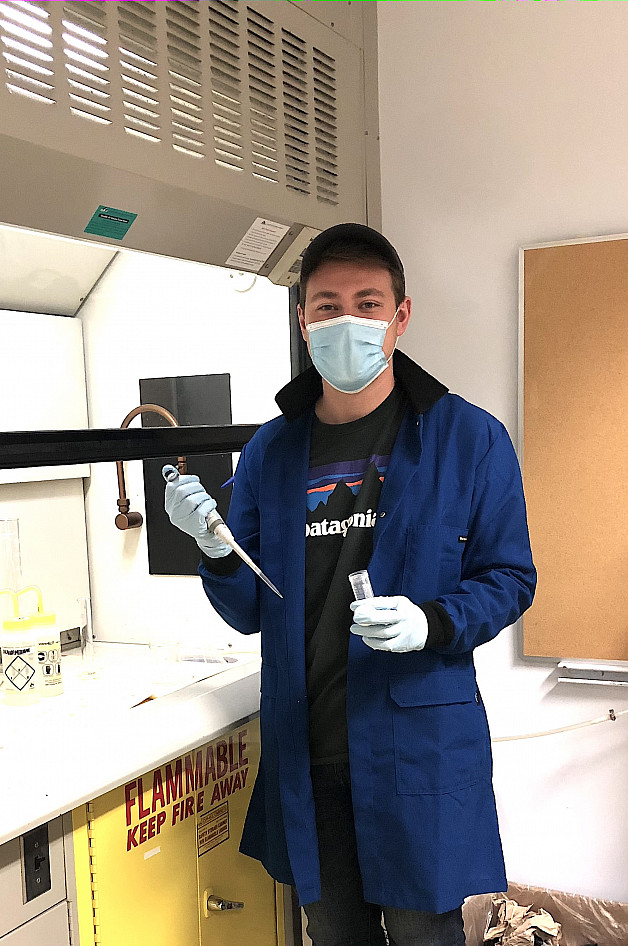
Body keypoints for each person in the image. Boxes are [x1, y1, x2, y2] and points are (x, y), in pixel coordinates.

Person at [163, 223, 536, 946]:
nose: (347, 321)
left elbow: (510, 577)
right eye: (327, 305)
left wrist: (434, 621)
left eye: (368, 303)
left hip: (415, 741)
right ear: (304, 320)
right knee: (334, 934)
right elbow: (247, 608)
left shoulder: (469, 438)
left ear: (400, 316)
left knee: (425, 932)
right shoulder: (272, 450)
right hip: (310, 748)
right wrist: (212, 549)